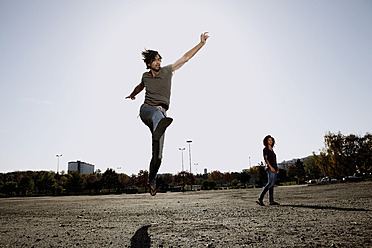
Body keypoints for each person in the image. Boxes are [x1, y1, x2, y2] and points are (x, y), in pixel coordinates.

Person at [126, 32, 210, 196]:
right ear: (149, 62)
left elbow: (185, 58)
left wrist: (201, 44)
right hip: (147, 110)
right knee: (158, 113)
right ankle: (158, 127)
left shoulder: (167, 71)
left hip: (161, 114)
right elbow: (140, 86)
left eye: (159, 59)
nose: (158, 62)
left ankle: (152, 179)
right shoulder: (145, 76)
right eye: (155, 59)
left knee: (157, 157)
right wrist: (132, 94)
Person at [256, 135, 280, 206]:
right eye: (269, 140)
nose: (271, 141)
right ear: (266, 141)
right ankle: (260, 198)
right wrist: (271, 167)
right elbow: (266, 160)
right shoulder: (265, 149)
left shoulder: (272, 149)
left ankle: (271, 201)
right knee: (270, 184)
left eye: (271, 140)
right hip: (270, 168)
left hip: (275, 168)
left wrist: (276, 168)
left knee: (272, 185)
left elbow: (274, 160)